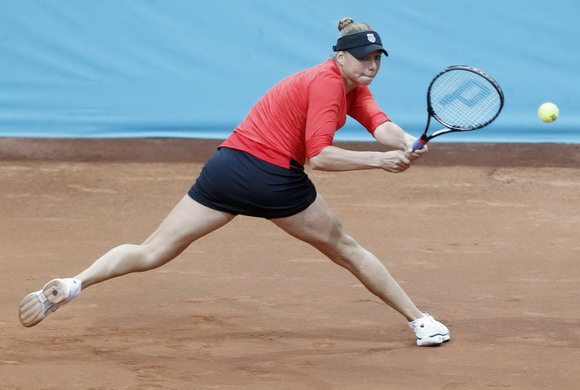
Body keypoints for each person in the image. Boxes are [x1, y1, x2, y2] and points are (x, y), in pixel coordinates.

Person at [19, 17, 450, 347]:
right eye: (363, 59)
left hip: (226, 168)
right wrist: (380, 163)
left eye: (377, 60)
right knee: (348, 250)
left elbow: (380, 124)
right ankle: (421, 321)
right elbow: (319, 157)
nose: (371, 67)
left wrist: (408, 141)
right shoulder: (328, 87)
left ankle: (74, 284)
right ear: (339, 57)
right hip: (272, 179)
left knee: (152, 250)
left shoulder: (350, 84)